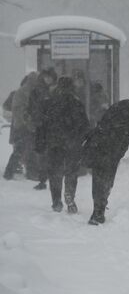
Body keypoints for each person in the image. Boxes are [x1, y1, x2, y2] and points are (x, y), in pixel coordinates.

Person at [81, 95, 129, 225]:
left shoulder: (127, 109)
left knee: (102, 181)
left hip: (106, 150)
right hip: (105, 151)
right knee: (103, 181)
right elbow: (114, 133)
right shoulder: (127, 111)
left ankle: (98, 211)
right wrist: (115, 152)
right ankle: (97, 213)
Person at [36, 77, 89, 213]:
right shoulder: (77, 104)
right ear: (72, 87)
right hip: (72, 143)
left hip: (54, 143)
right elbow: (84, 126)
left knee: (54, 172)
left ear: (58, 87)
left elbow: (41, 125)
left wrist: (40, 143)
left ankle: (56, 201)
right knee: (71, 171)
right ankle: (69, 194)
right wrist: (83, 140)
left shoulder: (49, 103)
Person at [3, 73, 38, 180]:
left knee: (24, 149)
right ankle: (11, 172)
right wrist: (28, 122)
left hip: (23, 125)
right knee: (22, 149)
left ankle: (12, 172)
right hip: (23, 126)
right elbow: (20, 110)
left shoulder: (28, 91)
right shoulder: (23, 92)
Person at [28, 68, 58, 189]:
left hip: (52, 127)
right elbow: (31, 107)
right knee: (41, 153)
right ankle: (43, 179)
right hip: (42, 127)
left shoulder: (56, 91)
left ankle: (51, 177)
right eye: (46, 76)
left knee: (51, 153)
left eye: (50, 77)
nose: (48, 79)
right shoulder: (37, 91)